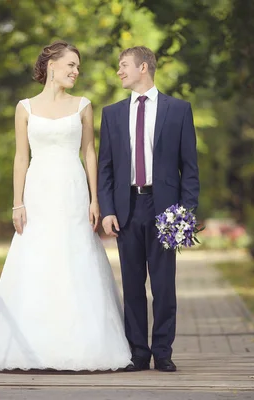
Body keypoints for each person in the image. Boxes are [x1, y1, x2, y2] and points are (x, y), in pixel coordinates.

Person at [0, 40, 131, 372]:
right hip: (39, 190)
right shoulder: (25, 107)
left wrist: (95, 198)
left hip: (73, 189)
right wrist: (17, 203)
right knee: (36, 258)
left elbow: (90, 153)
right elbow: (21, 156)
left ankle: (84, 345)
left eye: (78, 66)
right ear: (52, 66)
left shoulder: (83, 105)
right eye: (71, 65)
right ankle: (30, 347)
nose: (76, 71)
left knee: (75, 257)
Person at [98, 46, 200, 372]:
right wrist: (108, 210)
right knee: (132, 286)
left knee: (163, 286)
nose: (119, 71)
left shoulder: (179, 110)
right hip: (127, 206)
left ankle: (163, 352)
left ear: (143, 67)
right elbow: (106, 169)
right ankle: (138, 354)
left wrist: (185, 212)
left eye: (123, 65)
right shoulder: (112, 114)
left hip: (165, 207)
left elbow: (190, 167)